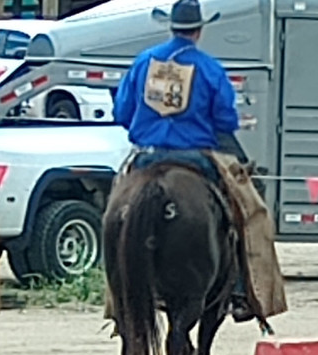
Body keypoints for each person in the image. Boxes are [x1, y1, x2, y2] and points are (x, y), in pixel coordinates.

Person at [110, 0, 286, 326]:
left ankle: (116, 296)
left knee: (117, 209)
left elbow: (121, 114)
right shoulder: (209, 68)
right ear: (199, 30)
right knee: (249, 209)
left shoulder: (143, 62)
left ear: (171, 26)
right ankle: (241, 290)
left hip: (147, 155)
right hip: (196, 157)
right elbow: (224, 120)